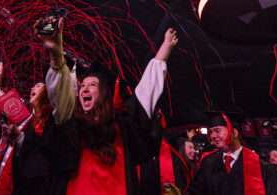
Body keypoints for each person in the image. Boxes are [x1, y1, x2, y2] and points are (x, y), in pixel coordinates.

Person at [34, 16, 178, 194]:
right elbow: (60, 98)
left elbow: (146, 94)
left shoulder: (124, 127)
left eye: (92, 85)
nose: (84, 89)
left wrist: (163, 51)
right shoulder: (71, 124)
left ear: (104, 93)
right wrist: (56, 54)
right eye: (83, 85)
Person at [0, 62, 53, 195]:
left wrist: (20, 139)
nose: (33, 88)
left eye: (38, 86)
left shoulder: (45, 123)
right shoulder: (23, 115)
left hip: (19, 183)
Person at [187, 111, 277, 195]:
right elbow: (195, 191)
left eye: (217, 130)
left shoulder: (262, 168)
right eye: (211, 132)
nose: (213, 136)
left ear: (234, 133)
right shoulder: (208, 163)